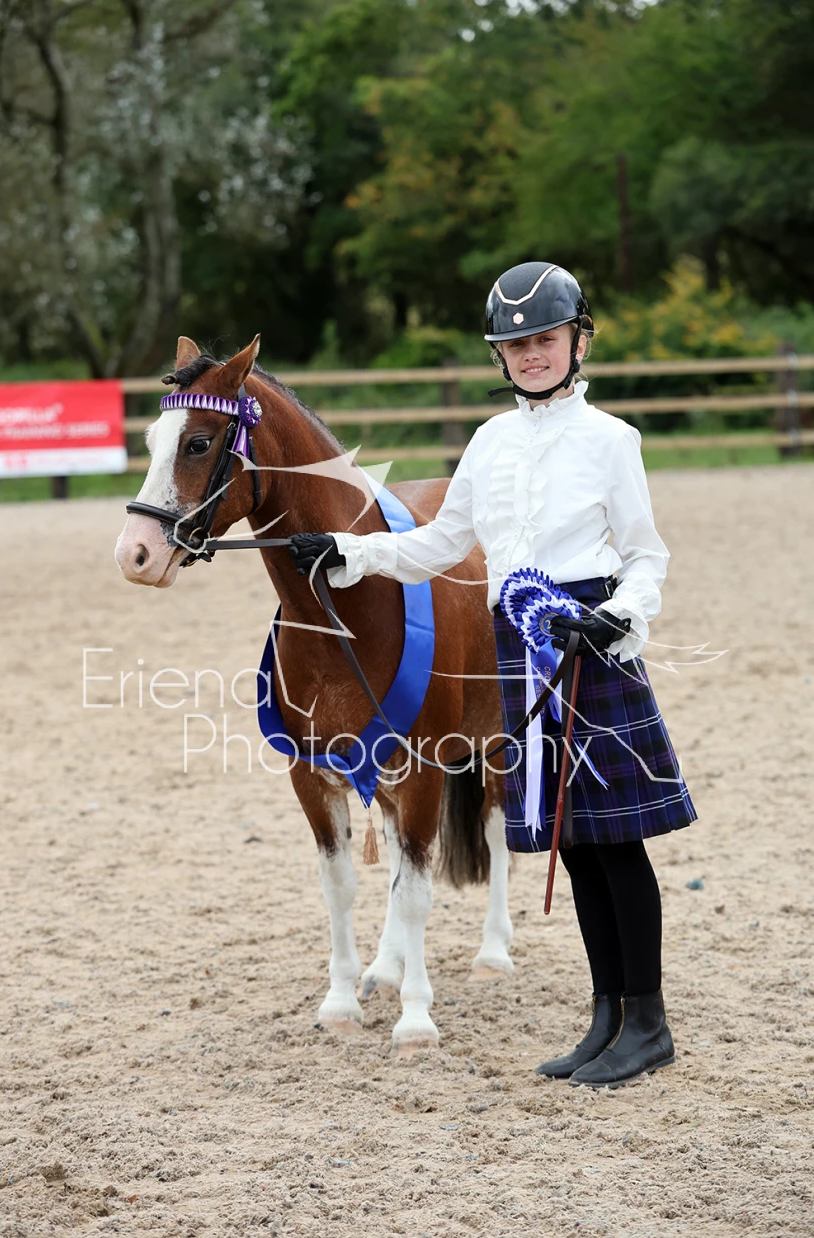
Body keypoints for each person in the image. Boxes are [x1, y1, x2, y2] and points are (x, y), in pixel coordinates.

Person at [288, 261, 697, 1088]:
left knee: (615, 844)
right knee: (571, 842)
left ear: (577, 342)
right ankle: (605, 1016)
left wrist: (621, 614)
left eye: (545, 339)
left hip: (587, 635)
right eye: (516, 346)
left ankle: (647, 1022)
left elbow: (644, 554)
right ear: (499, 357)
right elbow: (439, 546)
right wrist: (349, 552)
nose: (531, 355)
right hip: (517, 639)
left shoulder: (611, 440)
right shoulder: (488, 441)